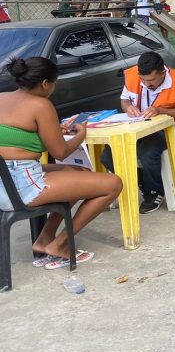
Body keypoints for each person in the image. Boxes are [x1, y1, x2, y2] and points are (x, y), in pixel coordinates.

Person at [0, 57, 122, 269]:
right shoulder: (41, 104)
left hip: (5, 180)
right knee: (113, 184)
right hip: (23, 185)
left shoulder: (2, 97)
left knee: (81, 172)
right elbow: (60, 151)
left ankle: (44, 239)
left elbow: (17, 136)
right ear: (45, 83)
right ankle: (60, 244)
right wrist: (81, 135)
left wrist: (55, 130)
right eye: (54, 83)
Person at [100, 51, 175, 213]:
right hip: (137, 127)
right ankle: (142, 181)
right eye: (142, 79)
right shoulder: (132, 76)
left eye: (151, 80)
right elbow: (125, 99)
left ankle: (155, 191)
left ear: (163, 72)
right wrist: (129, 107)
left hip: (167, 130)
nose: (146, 83)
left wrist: (160, 110)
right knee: (108, 155)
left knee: (147, 151)